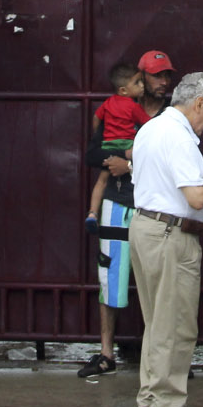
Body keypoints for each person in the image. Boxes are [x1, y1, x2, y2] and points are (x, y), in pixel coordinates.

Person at [129, 72, 203, 407]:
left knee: (157, 322)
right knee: (176, 325)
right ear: (198, 103)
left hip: (145, 227)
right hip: (171, 235)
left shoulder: (151, 128)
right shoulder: (179, 137)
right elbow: (196, 197)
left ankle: (149, 399)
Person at [79, 50, 176, 378]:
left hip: (156, 207)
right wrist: (123, 156)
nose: (164, 82)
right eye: (157, 75)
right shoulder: (117, 108)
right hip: (117, 204)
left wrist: (129, 164)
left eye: (167, 75)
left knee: (160, 283)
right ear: (140, 79)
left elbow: (175, 159)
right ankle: (106, 354)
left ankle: (159, 358)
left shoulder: (172, 114)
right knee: (110, 277)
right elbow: (92, 154)